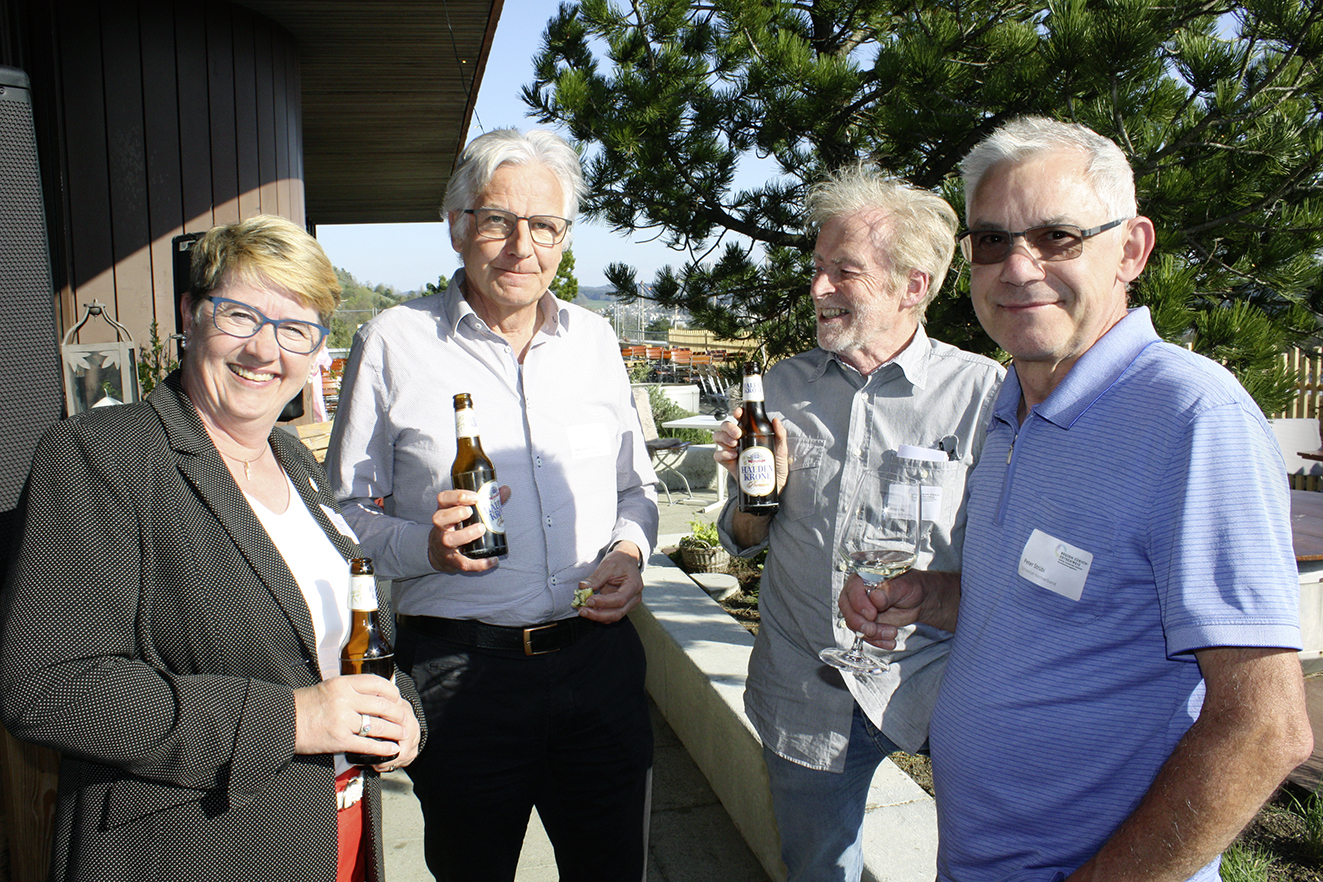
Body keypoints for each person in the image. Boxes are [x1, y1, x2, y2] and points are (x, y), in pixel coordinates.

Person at [842, 116, 1314, 882]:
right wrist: (930, 596)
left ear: (1130, 250)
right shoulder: (1008, 406)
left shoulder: (1191, 417)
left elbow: (1263, 729)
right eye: (991, 240)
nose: (1016, 267)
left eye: (1056, 236)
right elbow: (1054, 603)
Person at [0, 214, 424, 882]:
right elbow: (48, 687)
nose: (264, 349)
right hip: (195, 852)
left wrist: (403, 713)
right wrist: (293, 720)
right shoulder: (101, 455)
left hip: (336, 838)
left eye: (296, 328)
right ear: (190, 315)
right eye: (240, 315)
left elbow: (337, 641)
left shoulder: (295, 462)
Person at [325, 127, 659, 882]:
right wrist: (426, 547)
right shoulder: (393, 343)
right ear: (457, 226)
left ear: (564, 237)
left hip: (598, 665)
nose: (521, 246)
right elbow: (341, 516)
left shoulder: (595, 340)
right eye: (499, 220)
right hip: (459, 677)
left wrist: (628, 551)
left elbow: (636, 490)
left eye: (545, 226)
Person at [711, 165, 1004, 882]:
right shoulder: (779, 391)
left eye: (844, 271)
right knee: (817, 868)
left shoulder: (984, 395)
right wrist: (757, 496)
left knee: (983, 865)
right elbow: (742, 541)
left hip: (938, 685)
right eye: (817, 267)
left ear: (913, 285)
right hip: (804, 688)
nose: (818, 288)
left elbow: (1006, 557)